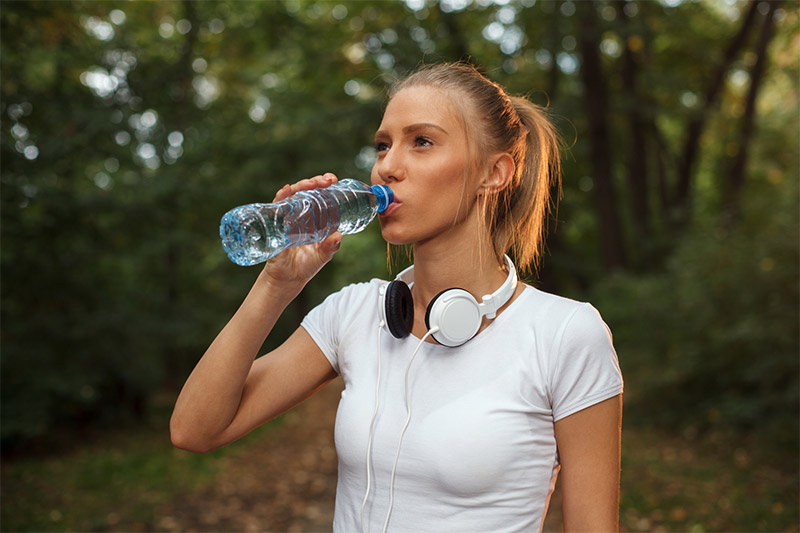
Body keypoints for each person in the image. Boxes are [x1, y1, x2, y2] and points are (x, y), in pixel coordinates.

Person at [171, 62, 623, 532]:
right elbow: (194, 430)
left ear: (495, 173)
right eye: (383, 145)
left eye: (421, 141)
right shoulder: (354, 313)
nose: (387, 166)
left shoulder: (564, 333)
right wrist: (276, 284)